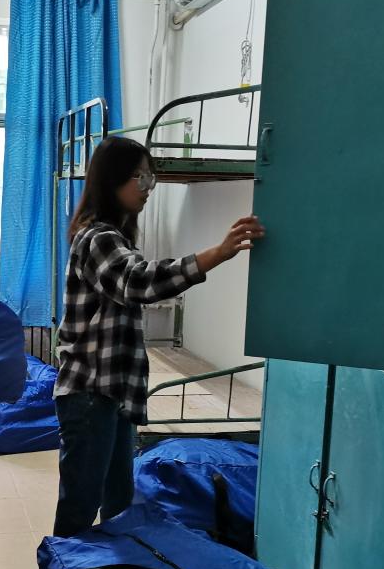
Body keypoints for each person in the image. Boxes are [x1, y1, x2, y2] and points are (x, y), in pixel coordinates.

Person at [53, 136, 264, 538]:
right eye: (140, 177)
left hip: (113, 395)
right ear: (113, 179)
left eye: (151, 177)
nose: (148, 187)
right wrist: (216, 254)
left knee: (119, 503)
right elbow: (138, 282)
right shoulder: (98, 238)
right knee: (79, 510)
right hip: (91, 395)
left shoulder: (114, 237)